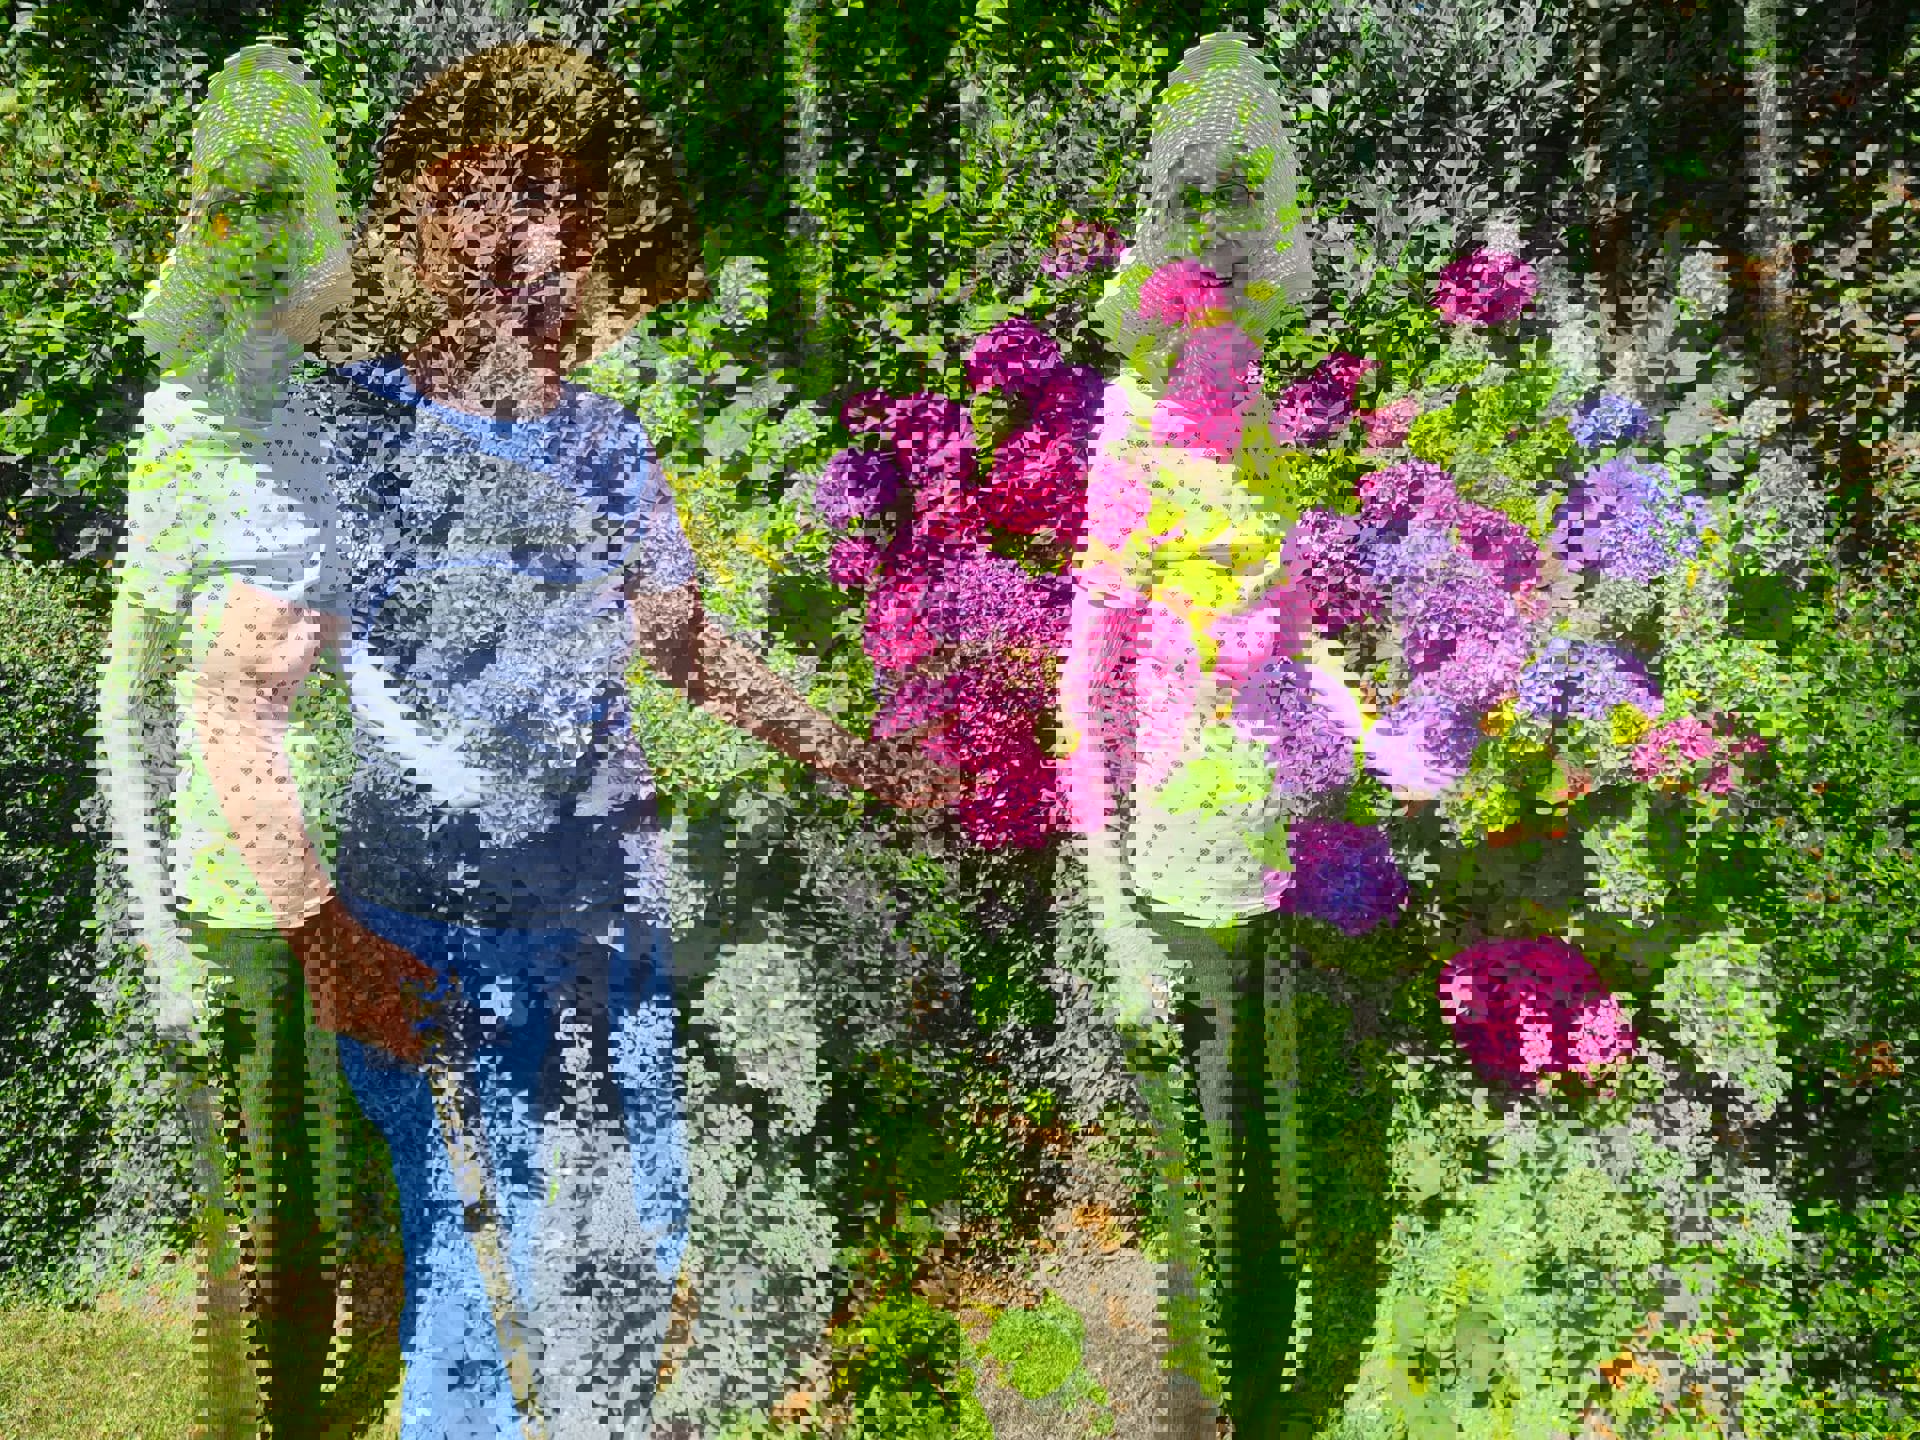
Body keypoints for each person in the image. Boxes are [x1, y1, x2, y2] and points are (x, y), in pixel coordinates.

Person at [194, 41, 959, 1440]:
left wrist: (859, 757)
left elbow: (686, 647)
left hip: (608, 930)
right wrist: (325, 938)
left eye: (542, 195)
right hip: (436, 946)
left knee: (629, 1262)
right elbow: (236, 701)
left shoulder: (607, 447)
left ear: (585, 231)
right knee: (478, 1311)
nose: (507, 231)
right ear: (415, 225)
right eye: (469, 194)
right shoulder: (344, 446)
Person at [98, 43, 378, 1440]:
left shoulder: (342, 431)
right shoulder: (177, 429)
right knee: (265, 1233)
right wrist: (158, 937)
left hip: (359, 882)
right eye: (237, 201)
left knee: (371, 1213)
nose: (263, 234)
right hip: (231, 907)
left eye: (287, 201)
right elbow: (125, 697)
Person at [1061, 32, 1324, 1440]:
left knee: (1263, 1137)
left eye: (1244, 211)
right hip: (1171, 853)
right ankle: (1201, 1407)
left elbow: (1291, 613)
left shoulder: (1255, 415)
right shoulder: (1131, 426)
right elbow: (1086, 677)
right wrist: (1111, 910)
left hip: (1263, 839)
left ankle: (1267, 1395)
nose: (1222, 256)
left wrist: (1376, 745)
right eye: (1200, 218)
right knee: (1198, 1149)